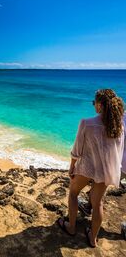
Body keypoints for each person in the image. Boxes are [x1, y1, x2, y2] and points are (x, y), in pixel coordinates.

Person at [57, 89, 125, 248]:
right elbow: (118, 153)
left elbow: (76, 150)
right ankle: (93, 238)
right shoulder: (119, 127)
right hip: (105, 170)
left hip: (86, 167)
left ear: (100, 105)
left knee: (73, 193)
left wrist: (71, 167)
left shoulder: (87, 123)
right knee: (98, 203)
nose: (94, 105)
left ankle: (71, 227)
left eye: (94, 103)